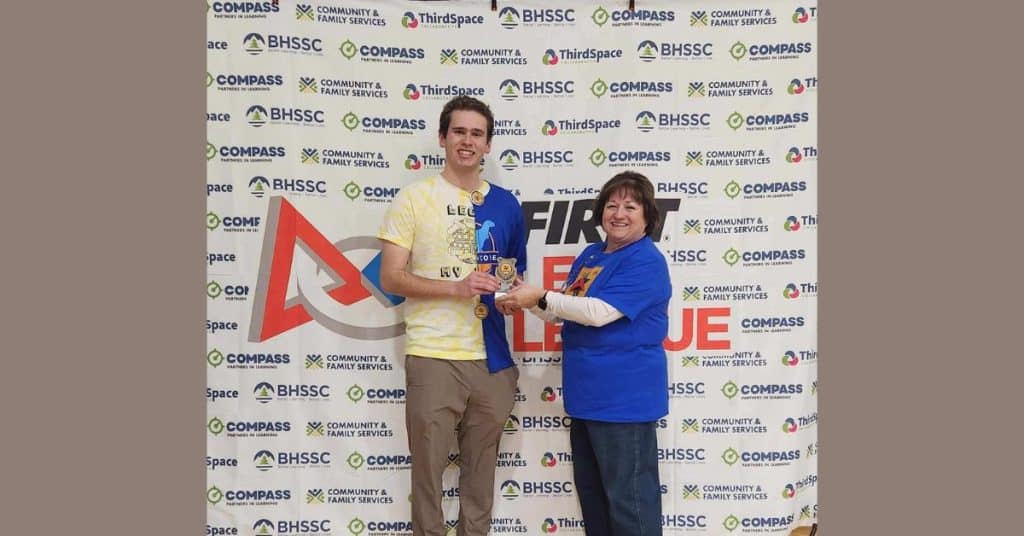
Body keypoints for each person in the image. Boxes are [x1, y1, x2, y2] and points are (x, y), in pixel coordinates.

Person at [377, 95, 526, 536]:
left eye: (476, 134)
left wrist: (515, 294)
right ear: (443, 138)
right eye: (459, 131)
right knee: (427, 476)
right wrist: (456, 288)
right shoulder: (413, 199)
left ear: (488, 145)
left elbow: (514, 274)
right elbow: (391, 277)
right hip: (433, 354)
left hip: (493, 360)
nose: (467, 141)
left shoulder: (505, 203)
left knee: (480, 477)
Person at [496, 171, 670, 536]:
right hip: (586, 399)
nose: (618, 213)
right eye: (612, 205)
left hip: (624, 402)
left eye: (630, 206)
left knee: (630, 504)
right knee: (594, 501)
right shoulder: (591, 254)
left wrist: (539, 296)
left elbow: (598, 312)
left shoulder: (646, 260)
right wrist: (525, 298)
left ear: (648, 216)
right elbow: (563, 308)